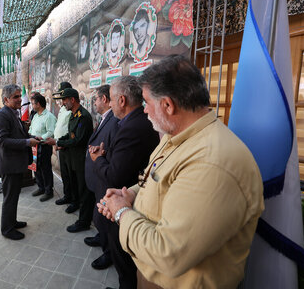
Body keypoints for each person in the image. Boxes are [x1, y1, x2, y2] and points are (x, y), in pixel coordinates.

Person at [98, 55, 264, 288]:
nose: (144, 110)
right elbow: (154, 179)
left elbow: (169, 254)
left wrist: (121, 212)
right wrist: (131, 195)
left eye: (146, 102)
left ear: (167, 105)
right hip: (150, 274)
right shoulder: (177, 137)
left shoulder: (212, 163)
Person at [89, 76, 160, 288]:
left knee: (125, 264)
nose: (109, 104)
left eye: (110, 99)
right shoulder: (130, 122)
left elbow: (114, 175)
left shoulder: (134, 126)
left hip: (125, 202)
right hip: (126, 198)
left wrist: (98, 159)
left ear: (121, 100)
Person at [0, 84, 39, 240]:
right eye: (16, 97)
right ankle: (7, 229)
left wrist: (32, 137)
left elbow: (17, 134)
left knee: (14, 196)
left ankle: (12, 221)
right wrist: (27, 142)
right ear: (6, 99)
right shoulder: (1, 115)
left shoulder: (13, 113)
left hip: (16, 164)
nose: (20, 99)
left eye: (20, 96)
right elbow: (2, 141)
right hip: (9, 165)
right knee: (10, 198)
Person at [45, 88, 93, 233]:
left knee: (84, 191)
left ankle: (84, 221)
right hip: (73, 158)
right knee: (76, 187)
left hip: (81, 160)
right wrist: (58, 141)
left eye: (65, 100)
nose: (63, 103)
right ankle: (76, 206)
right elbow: (70, 135)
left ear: (72, 100)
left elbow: (78, 140)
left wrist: (58, 143)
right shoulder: (73, 114)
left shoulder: (83, 116)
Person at [83, 85, 119, 270]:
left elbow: (110, 150)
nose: (94, 103)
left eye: (95, 99)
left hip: (104, 178)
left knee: (104, 218)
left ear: (104, 99)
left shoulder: (114, 121)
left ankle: (109, 253)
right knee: (100, 219)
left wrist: (100, 155)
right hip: (98, 177)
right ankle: (102, 238)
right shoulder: (106, 118)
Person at [29, 93, 57, 202]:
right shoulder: (36, 115)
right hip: (34, 146)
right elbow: (31, 129)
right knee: (35, 167)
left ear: (39, 104)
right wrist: (30, 136)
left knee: (45, 169)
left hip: (44, 146)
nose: (32, 106)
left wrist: (40, 138)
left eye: (33, 104)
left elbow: (51, 132)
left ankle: (48, 191)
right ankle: (40, 188)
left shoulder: (49, 116)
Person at [52, 82, 73, 206]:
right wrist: (56, 141)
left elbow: (70, 131)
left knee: (70, 175)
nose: (62, 100)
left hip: (67, 146)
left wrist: (61, 142)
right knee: (64, 173)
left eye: (64, 97)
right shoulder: (62, 109)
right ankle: (67, 195)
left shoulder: (72, 110)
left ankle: (73, 199)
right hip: (59, 146)